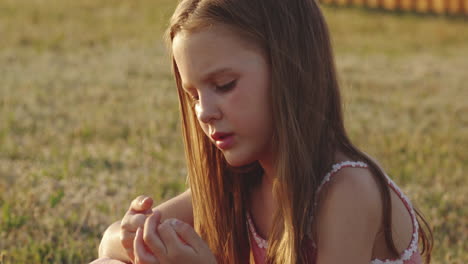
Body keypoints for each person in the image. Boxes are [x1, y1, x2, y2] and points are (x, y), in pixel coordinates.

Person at [91, 0, 434, 263]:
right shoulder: (240, 182)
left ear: (290, 71)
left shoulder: (348, 191)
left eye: (224, 85)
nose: (204, 112)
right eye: (193, 95)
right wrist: (141, 235)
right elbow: (110, 242)